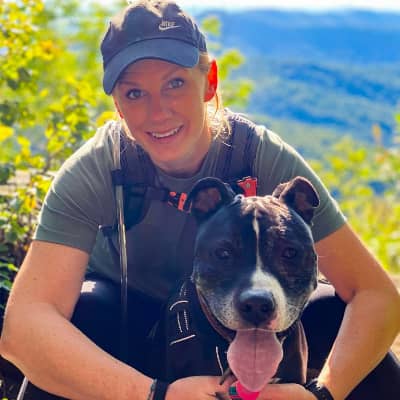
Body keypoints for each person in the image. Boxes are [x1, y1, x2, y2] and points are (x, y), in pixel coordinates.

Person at [0, 1, 399, 399]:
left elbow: (376, 295)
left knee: (337, 318)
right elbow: (23, 330)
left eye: (175, 83)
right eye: (135, 93)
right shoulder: (101, 168)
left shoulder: (257, 155)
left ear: (209, 81)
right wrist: (156, 394)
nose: (158, 111)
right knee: (85, 312)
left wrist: (322, 394)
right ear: (117, 105)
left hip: (252, 312)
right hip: (128, 329)